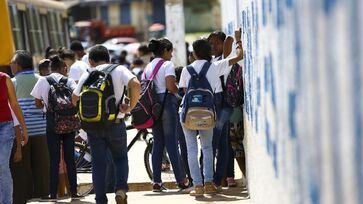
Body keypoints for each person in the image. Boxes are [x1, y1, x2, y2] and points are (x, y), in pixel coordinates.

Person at [72, 45, 141, 204]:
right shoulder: (119, 70)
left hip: (93, 126)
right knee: (120, 158)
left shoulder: (88, 73)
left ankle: (100, 199)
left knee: (98, 162)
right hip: (116, 123)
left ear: (90, 61)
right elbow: (136, 84)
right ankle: (121, 189)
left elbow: (74, 98)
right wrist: (129, 107)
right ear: (108, 58)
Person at [178, 28, 243, 197]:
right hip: (208, 114)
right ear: (208, 51)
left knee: (191, 149)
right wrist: (238, 40)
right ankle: (209, 183)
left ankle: (197, 186)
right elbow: (239, 56)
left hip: (188, 114)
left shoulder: (186, 70)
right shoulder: (214, 67)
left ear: (194, 53)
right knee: (208, 148)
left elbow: (184, 92)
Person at [30, 55, 82, 201]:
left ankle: (52, 194)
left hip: (52, 124)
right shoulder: (69, 81)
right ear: (63, 68)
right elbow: (76, 97)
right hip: (70, 123)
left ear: (50, 68)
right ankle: (74, 192)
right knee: (70, 159)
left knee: (54, 160)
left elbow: (37, 103)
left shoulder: (43, 80)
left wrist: (48, 106)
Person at [144, 38, 189, 192]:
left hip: (153, 108)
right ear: (165, 51)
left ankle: (156, 181)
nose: (171, 55)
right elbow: (170, 86)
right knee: (171, 144)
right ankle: (181, 181)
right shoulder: (167, 64)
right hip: (167, 105)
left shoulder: (147, 67)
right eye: (170, 52)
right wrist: (180, 90)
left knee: (157, 145)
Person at [10, 50, 49, 200]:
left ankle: (24, 196)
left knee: (22, 167)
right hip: (41, 128)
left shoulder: (12, 83)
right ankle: (43, 194)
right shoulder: (41, 79)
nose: (11, 65)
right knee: (41, 165)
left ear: (18, 66)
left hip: (21, 131)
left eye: (12, 63)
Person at [207, 30, 239, 189]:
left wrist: (232, 39)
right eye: (210, 44)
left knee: (222, 142)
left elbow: (228, 46)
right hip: (218, 105)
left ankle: (227, 176)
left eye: (216, 43)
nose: (213, 46)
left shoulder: (223, 59)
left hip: (225, 104)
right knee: (220, 142)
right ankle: (221, 177)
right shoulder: (212, 61)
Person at [0, 71, 28, 204]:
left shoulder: (4, 79)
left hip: (5, 126)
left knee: (2, 164)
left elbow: (15, 105)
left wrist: (24, 128)